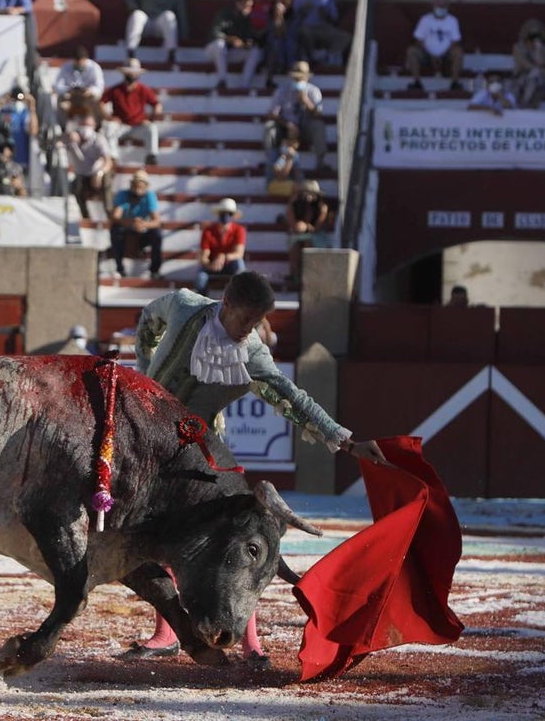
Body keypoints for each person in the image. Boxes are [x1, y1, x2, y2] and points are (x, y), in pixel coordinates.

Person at [125, 271, 386, 663]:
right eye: (245, 319)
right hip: (148, 442)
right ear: (226, 304)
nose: (249, 329)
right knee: (153, 537)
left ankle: (251, 642)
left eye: (256, 322)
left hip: (203, 448)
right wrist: (145, 366)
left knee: (234, 540)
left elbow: (292, 398)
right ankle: (167, 634)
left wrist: (347, 442)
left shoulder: (252, 352)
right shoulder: (183, 307)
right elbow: (149, 319)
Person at [265, 61, 327, 172]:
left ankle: (320, 162)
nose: (298, 80)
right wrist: (288, 124)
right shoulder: (282, 91)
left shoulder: (313, 91)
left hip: (305, 128)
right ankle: (270, 161)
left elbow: (319, 115)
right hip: (285, 127)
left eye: (301, 78)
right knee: (269, 127)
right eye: (296, 78)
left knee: (318, 126)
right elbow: (272, 113)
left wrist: (307, 102)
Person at [124, 0, 187, 65]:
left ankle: (171, 52)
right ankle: (131, 50)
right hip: (145, 22)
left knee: (169, 16)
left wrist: (185, 36)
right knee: (137, 15)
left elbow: (181, 14)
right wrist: (134, 8)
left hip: (160, 26)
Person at [102, 58, 162, 165]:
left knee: (152, 128)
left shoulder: (144, 89)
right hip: (120, 126)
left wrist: (152, 119)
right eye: (129, 73)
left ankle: (151, 155)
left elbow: (156, 104)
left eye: (134, 73)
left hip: (138, 125)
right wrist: (109, 117)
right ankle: (113, 156)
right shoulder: (116, 90)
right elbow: (100, 104)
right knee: (109, 127)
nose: (132, 75)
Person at [109, 169, 162, 279]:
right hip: (127, 228)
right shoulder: (123, 195)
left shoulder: (150, 196)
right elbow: (115, 216)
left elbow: (157, 221)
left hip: (143, 230)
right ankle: (120, 268)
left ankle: (155, 270)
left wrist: (143, 224)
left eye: (141, 186)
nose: (138, 190)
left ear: (146, 187)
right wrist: (131, 223)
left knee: (157, 234)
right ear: (132, 185)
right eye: (136, 186)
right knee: (115, 230)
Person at [405, 0, 464, 91]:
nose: (441, 8)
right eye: (439, 5)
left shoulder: (452, 21)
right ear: (433, 5)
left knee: (458, 52)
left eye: (443, 5)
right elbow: (418, 39)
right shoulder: (425, 20)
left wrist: (442, 54)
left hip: (446, 56)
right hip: (427, 55)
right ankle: (416, 82)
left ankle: (454, 82)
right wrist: (431, 55)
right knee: (412, 51)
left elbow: (456, 40)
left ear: (447, 6)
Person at [293, 0, 351, 66]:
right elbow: (295, 20)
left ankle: (327, 56)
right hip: (307, 27)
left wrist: (325, 15)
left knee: (345, 37)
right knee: (304, 33)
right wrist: (303, 12)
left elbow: (334, 19)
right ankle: (311, 58)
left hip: (324, 27)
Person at [205, 0, 262, 92]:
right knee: (220, 44)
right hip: (214, 50)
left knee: (255, 51)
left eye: (250, 6)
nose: (248, 8)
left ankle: (244, 85)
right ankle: (222, 80)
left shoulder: (246, 19)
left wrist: (246, 44)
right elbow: (215, 32)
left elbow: (248, 38)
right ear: (238, 3)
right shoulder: (225, 14)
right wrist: (230, 39)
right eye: (246, 5)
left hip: (231, 52)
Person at [61, 113, 113, 220]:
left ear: (94, 126)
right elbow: (56, 141)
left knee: (106, 182)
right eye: (83, 124)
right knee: (75, 189)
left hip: (97, 172)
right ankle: (85, 216)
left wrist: (99, 174)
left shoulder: (99, 139)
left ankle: (109, 213)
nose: (85, 127)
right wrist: (67, 136)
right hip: (81, 174)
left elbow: (108, 161)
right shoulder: (72, 137)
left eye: (88, 125)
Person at [195, 198, 246, 295]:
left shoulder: (239, 230)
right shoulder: (208, 231)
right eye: (223, 213)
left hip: (229, 265)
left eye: (229, 213)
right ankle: (202, 303)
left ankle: (240, 298)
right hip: (212, 265)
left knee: (239, 266)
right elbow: (204, 256)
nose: (225, 216)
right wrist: (210, 265)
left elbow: (239, 253)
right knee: (201, 278)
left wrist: (223, 257)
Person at [285, 179, 329, 287]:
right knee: (295, 245)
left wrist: (307, 226)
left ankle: (308, 275)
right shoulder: (295, 205)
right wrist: (292, 206)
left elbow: (317, 227)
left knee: (308, 244)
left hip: (316, 235)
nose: (307, 197)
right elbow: (292, 224)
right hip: (299, 234)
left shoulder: (321, 208)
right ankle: (294, 274)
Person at [0, 85, 37, 173]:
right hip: (4, 161)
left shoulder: (25, 113)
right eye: (14, 97)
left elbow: (33, 131)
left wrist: (32, 106)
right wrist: (0, 103)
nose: (16, 100)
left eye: (19, 97)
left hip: (20, 162)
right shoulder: (4, 113)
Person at [54, 45, 106, 124]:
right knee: (61, 101)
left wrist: (90, 91)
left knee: (96, 100)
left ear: (85, 59)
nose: (79, 64)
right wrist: (69, 90)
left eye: (81, 62)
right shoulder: (65, 67)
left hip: (87, 96)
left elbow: (99, 87)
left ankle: (94, 125)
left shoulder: (94, 68)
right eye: (77, 62)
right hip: (71, 96)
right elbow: (57, 86)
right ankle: (63, 125)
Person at [511, 19, 545, 109]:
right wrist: (536, 69)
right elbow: (524, 64)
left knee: (536, 76)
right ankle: (524, 102)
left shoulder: (544, 49)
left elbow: (543, 63)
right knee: (534, 75)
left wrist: (538, 50)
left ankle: (526, 102)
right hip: (522, 76)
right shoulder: (518, 47)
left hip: (539, 79)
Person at [264, 0, 297, 85]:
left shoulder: (293, 15)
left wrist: (281, 16)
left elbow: (286, 32)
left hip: (291, 41)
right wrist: (278, 17)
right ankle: (270, 76)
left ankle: (291, 69)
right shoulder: (270, 15)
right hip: (273, 43)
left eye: (283, 2)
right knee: (275, 43)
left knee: (289, 42)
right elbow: (276, 33)